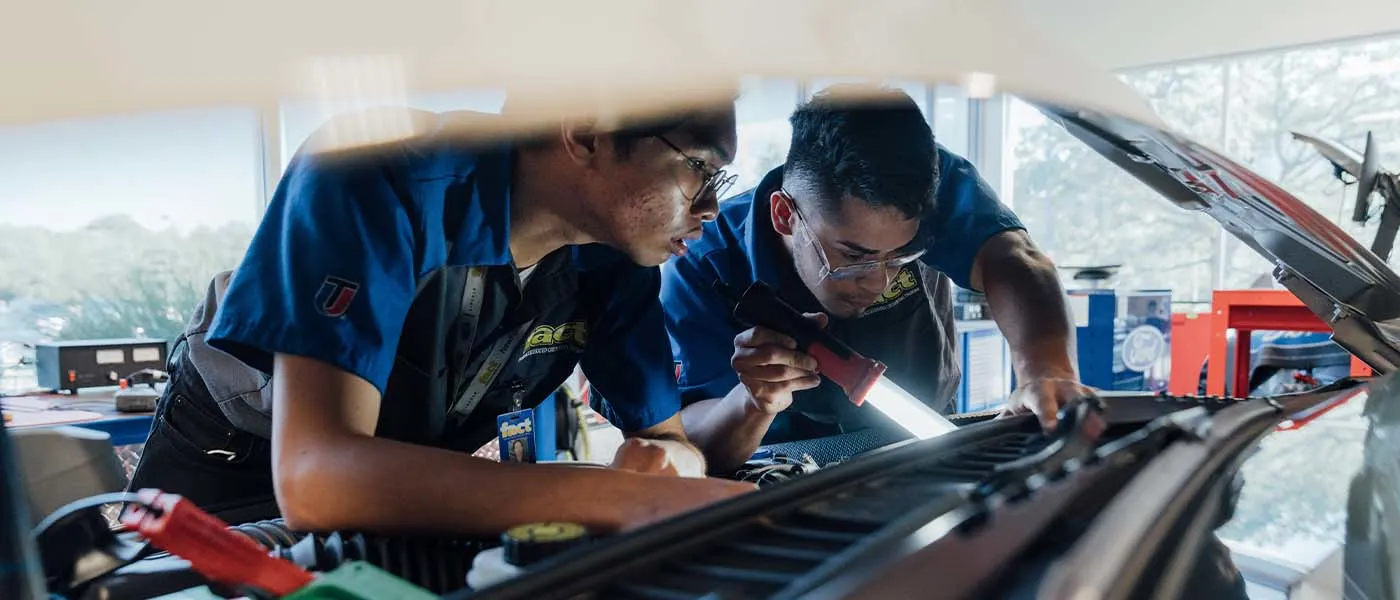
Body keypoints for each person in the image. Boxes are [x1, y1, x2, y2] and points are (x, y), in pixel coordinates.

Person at [127, 100, 756, 535]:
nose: (710, 207)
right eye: (699, 167)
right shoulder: (373, 169)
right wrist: (618, 494)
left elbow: (671, 443)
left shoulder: (613, 256)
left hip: (400, 480)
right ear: (588, 130)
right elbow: (318, 480)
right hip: (230, 466)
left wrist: (668, 467)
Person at [664, 85, 1094, 471]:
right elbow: (688, 443)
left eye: (903, 256)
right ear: (784, 216)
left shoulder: (924, 182)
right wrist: (752, 401)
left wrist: (1045, 372)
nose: (880, 282)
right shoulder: (702, 261)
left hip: (924, 435)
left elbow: (1015, 259)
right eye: (855, 256)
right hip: (782, 471)